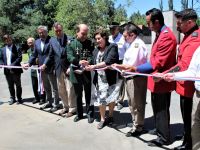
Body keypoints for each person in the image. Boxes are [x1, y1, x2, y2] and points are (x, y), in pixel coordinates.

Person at [123, 8, 177, 146]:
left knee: (161, 110)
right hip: (156, 81)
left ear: (157, 22)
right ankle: (160, 130)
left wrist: (136, 68)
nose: (148, 26)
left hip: (162, 82)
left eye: (149, 23)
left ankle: (163, 138)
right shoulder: (160, 33)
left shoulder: (166, 36)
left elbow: (157, 62)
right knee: (157, 108)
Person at [157, 9, 200, 150]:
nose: (177, 26)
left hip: (188, 86)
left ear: (190, 22)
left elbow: (184, 65)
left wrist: (166, 74)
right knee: (187, 117)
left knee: (189, 118)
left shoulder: (195, 38)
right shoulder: (187, 35)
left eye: (180, 23)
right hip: (183, 84)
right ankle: (186, 136)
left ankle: (188, 143)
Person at [112, 24, 148, 136]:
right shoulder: (132, 44)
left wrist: (117, 66)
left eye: (125, 36)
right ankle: (135, 123)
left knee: (137, 104)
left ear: (132, 35)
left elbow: (131, 65)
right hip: (130, 77)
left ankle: (138, 127)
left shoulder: (138, 45)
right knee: (132, 103)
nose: (123, 38)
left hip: (135, 78)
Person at [163, 45, 200, 150]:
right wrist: (173, 76)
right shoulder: (198, 50)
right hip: (198, 94)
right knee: (195, 125)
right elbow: (192, 72)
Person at [85, 28, 120, 129]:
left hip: (110, 78)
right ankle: (102, 119)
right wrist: (87, 63)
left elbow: (108, 61)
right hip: (100, 80)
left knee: (111, 98)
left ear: (105, 37)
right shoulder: (96, 50)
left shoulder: (112, 46)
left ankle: (110, 115)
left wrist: (94, 66)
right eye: (96, 39)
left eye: (99, 38)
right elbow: (92, 60)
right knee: (101, 100)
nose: (97, 41)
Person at [23, 25, 59, 110]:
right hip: (41, 69)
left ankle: (56, 104)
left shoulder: (52, 40)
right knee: (46, 87)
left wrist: (45, 64)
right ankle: (49, 102)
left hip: (50, 67)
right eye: (39, 33)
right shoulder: (37, 42)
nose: (41, 34)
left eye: (42, 32)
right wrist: (28, 63)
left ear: (46, 32)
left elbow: (51, 54)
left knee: (54, 87)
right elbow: (34, 54)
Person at [46, 22, 76, 116]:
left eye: (59, 30)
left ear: (62, 29)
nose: (58, 32)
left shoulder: (70, 39)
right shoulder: (52, 41)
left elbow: (74, 54)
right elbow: (50, 55)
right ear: (54, 31)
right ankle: (65, 107)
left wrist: (71, 66)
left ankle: (72, 109)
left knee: (70, 89)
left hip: (68, 68)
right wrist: (44, 64)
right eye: (56, 31)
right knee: (61, 90)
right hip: (58, 69)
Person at [67, 24, 94, 123]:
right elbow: (69, 56)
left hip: (86, 72)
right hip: (75, 73)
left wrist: (89, 62)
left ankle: (90, 114)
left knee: (88, 94)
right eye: (83, 33)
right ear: (77, 32)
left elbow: (92, 55)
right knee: (78, 95)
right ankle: (79, 114)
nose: (85, 36)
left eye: (86, 34)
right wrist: (78, 62)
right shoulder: (71, 43)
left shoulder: (90, 43)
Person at [0, 34, 23, 105]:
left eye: (9, 39)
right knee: (10, 85)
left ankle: (19, 98)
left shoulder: (17, 47)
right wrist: (2, 64)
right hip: (7, 71)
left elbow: (19, 58)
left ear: (11, 39)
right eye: (6, 40)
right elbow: (1, 58)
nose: (8, 41)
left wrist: (12, 65)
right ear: (5, 41)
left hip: (15, 70)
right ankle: (13, 98)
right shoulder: (2, 49)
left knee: (18, 85)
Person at [109, 22, 126, 110]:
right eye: (110, 29)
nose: (111, 31)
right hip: (111, 62)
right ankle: (112, 99)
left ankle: (120, 101)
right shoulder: (109, 38)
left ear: (118, 29)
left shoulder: (123, 38)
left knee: (121, 81)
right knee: (112, 81)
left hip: (120, 61)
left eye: (113, 29)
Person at [27, 37, 46, 104]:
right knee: (34, 85)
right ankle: (37, 97)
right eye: (28, 43)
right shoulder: (28, 51)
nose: (30, 44)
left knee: (41, 85)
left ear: (34, 42)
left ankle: (42, 98)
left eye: (31, 42)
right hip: (33, 70)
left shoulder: (38, 48)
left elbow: (38, 59)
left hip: (39, 68)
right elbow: (31, 59)